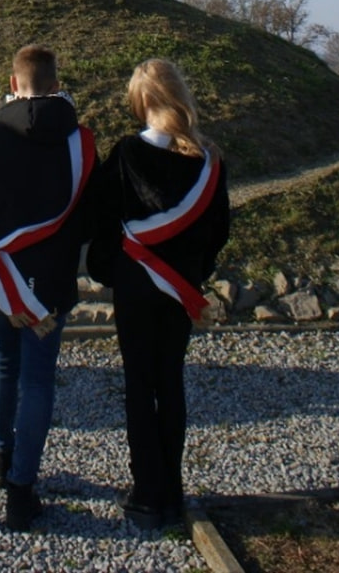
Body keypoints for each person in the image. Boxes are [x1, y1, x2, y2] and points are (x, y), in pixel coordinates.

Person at [0, 45, 98, 532]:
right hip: (51, 281)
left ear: (13, 84)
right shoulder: (81, 142)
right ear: (57, 84)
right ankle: (21, 488)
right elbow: (90, 215)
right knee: (38, 379)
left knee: (0, 362)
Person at [86, 58, 230, 530]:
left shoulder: (126, 154)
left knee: (138, 384)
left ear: (141, 101)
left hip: (135, 284)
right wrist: (193, 273)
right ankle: (173, 486)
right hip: (180, 289)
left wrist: (108, 268)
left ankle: (146, 492)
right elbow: (218, 230)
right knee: (170, 382)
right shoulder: (208, 159)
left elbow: (100, 219)